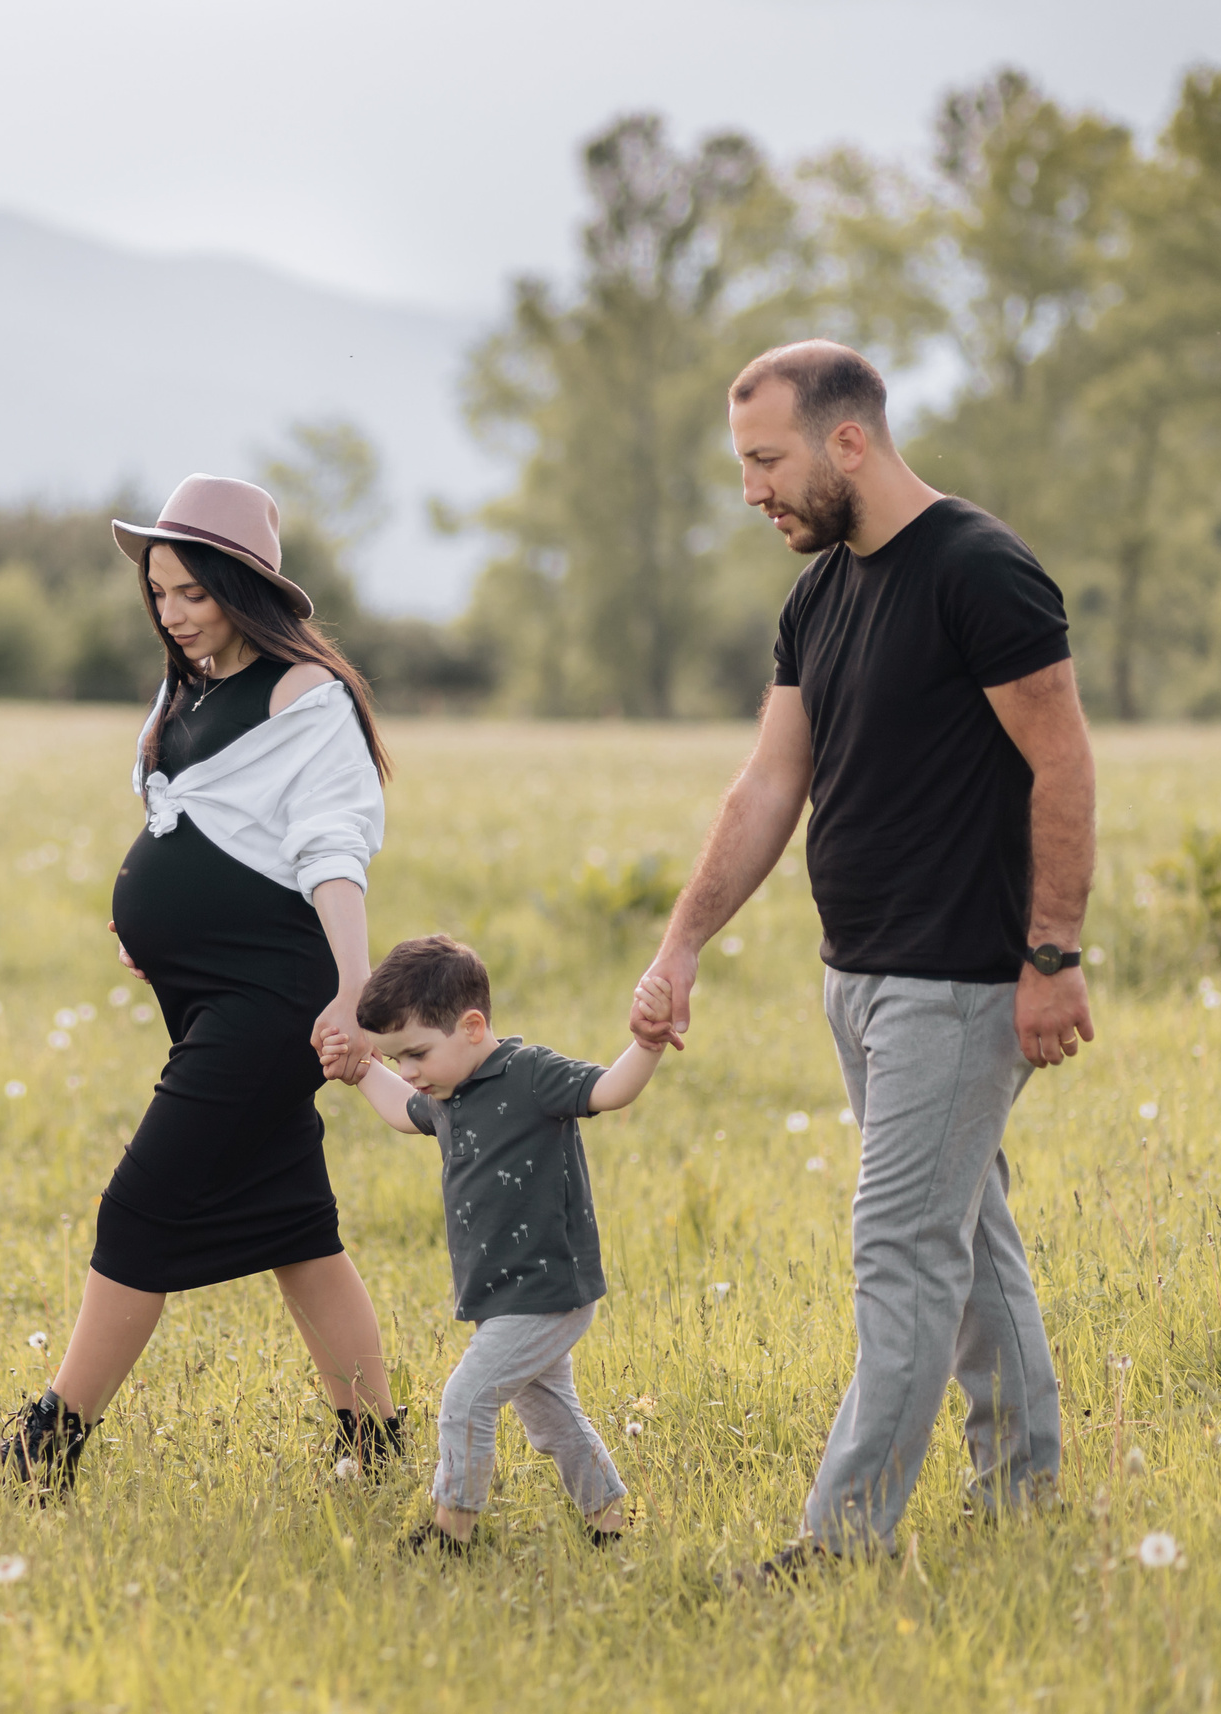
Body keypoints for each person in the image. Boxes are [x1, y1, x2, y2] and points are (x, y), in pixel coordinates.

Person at [631, 340, 1097, 1580]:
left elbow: (1062, 761)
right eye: (742, 465)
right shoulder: (821, 591)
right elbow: (769, 781)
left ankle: (838, 1549)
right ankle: (1026, 1499)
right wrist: (680, 943)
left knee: (899, 1250)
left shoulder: (981, 572)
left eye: (766, 460)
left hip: (957, 982)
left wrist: (1052, 953)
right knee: (967, 1241)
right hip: (859, 976)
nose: (751, 492)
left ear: (848, 441)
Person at [0, 473, 404, 1491]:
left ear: (246, 588)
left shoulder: (304, 696)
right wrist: (144, 915)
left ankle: (43, 1454)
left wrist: (353, 990)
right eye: (160, 591)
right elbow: (186, 815)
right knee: (295, 1225)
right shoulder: (183, 690)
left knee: (138, 1210)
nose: (175, 612)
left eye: (194, 591)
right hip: (203, 992)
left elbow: (332, 848)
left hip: (272, 996)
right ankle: (375, 1446)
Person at [331, 934, 667, 1553]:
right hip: (502, 1296)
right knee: (552, 1419)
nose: (409, 1071)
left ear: (472, 1026)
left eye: (417, 1054)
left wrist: (646, 1044)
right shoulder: (445, 1093)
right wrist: (363, 1071)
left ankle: (451, 1532)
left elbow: (610, 1090)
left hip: (546, 1290)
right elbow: (404, 1109)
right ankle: (610, 1525)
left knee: (466, 1400)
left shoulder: (530, 1074)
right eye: (397, 1058)